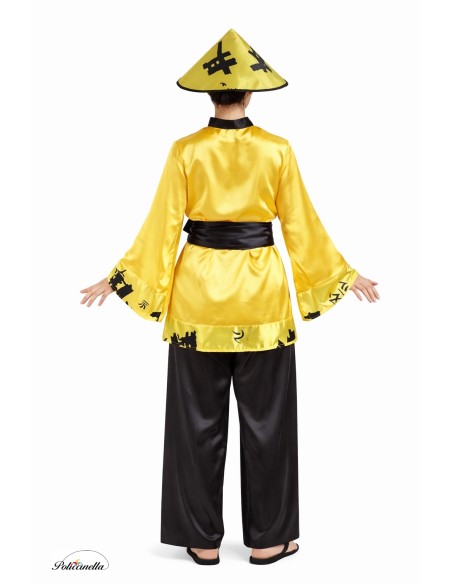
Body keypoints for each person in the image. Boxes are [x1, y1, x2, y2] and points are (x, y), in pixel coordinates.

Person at [80, 29, 379, 565]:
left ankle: (201, 540)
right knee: (269, 423)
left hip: (197, 299)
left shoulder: (185, 150)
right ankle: (267, 541)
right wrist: (341, 274)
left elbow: (162, 225)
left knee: (195, 422)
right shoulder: (277, 150)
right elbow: (300, 224)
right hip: (261, 298)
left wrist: (121, 278)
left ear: (209, 91)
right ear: (251, 91)